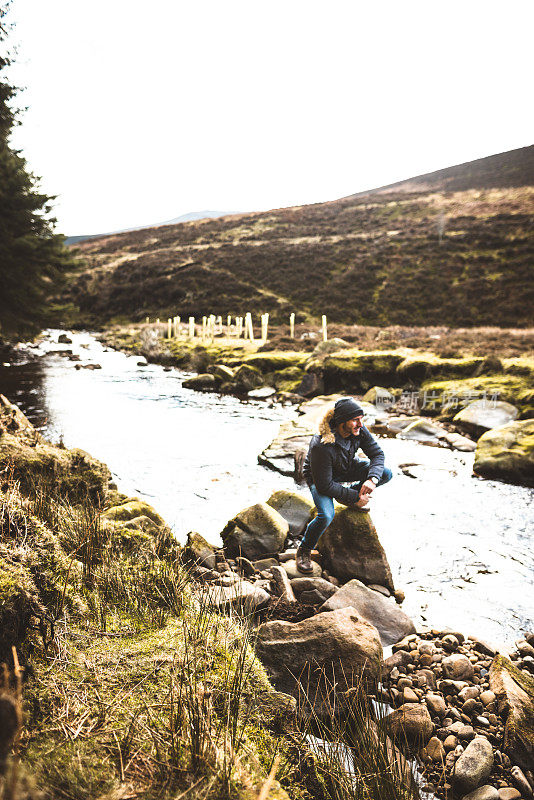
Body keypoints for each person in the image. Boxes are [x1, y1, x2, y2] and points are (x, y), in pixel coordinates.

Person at [296, 396, 392, 574]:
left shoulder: (359, 431)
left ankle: (350, 498)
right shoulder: (321, 445)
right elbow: (325, 486)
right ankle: (304, 550)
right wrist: (356, 497)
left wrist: (372, 479)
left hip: (346, 466)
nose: (360, 424)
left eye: (361, 419)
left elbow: (377, 454)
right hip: (319, 478)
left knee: (385, 473)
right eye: (355, 420)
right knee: (326, 515)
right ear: (342, 422)